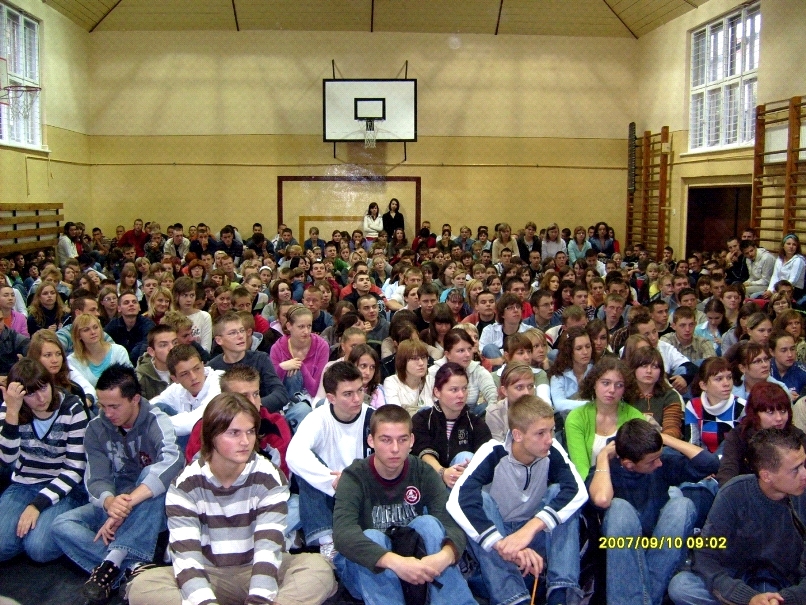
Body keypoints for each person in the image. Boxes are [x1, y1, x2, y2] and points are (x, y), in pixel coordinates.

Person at [125, 393, 336, 605]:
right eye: (234, 433)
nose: (245, 441)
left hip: (257, 569)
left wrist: (258, 601)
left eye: (250, 431)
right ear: (211, 436)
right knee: (143, 587)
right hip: (207, 572)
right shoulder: (185, 484)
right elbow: (187, 559)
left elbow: (268, 550)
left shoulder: (269, 476)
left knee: (318, 569)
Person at [51, 364, 183, 605]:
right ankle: (133, 568)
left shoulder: (156, 419)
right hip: (117, 504)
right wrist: (110, 502)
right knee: (61, 524)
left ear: (135, 399)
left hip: (150, 507)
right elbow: (96, 478)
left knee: (151, 475)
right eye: (103, 406)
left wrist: (128, 504)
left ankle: (112, 561)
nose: (107, 413)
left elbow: (173, 461)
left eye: (114, 406)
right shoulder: (95, 428)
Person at [448, 394, 587, 605]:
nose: (549, 439)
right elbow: (458, 501)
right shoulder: (492, 452)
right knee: (481, 501)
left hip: (532, 534)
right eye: (540, 433)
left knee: (561, 493)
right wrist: (502, 544)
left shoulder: (552, 450)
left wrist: (529, 529)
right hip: (498, 539)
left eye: (551, 430)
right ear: (517, 435)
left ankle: (561, 593)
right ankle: (513, 599)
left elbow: (578, 491)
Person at [332, 404, 477, 605]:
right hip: (367, 572)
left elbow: (451, 523)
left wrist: (444, 557)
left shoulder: (423, 472)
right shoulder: (354, 476)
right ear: (371, 441)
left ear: (412, 441)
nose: (395, 449)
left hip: (415, 563)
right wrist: (396, 562)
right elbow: (343, 534)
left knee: (429, 523)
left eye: (402, 440)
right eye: (386, 440)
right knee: (372, 537)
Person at [668, 428, 806, 605]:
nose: (804, 474)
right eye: (795, 469)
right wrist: (748, 597)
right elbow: (705, 554)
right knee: (681, 586)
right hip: (738, 581)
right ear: (766, 475)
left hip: (787, 585)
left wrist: (784, 599)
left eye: (804, 464)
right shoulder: (734, 493)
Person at [589, 419, 719, 605]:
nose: (658, 463)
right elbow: (602, 499)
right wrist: (602, 456)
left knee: (682, 505)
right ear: (629, 464)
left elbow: (710, 464)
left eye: (659, 457)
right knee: (618, 508)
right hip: (621, 555)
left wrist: (664, 438)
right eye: (652, 461)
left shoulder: (660, 463)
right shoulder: (605, 472)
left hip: (661, 548)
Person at [0, 359, 88, 563]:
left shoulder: (72, 408)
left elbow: (75, 468)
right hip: (24, 482)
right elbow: (7, 458)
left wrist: (36, 505)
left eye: (44, 388)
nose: (41, 398)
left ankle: (42, 528)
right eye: (30, 394)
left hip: (65, 487)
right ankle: (24, 533)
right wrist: (12, 412)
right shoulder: (11, 406)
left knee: (38, 549)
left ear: (51, 383)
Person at [286, 361, 373, 560]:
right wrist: (330, 479)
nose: (357, 399)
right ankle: (326, 541)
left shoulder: (372, 417)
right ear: (331, 398)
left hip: (363, 493)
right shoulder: (318, 418)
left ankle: (305, 536)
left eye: (360, 391)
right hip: (326, 494)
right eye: (348, 394)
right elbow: (293, 455)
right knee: (305, 467)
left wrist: (350, 480)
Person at [412, 362, 492, 489]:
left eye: (464, 389)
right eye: (454, 390)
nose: (461, 395)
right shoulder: (422, 419)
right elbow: (422, 453)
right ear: (437, 392)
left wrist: (471, 468)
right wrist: (443, 472)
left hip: (464, 486)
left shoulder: (476, 423)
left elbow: (487, 460)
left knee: (466, 458)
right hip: (429, 485)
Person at [565, 356, 644, 479]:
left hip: (627, 482)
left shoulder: (635, 417)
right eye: (606, 383)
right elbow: (581, 469)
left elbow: (639, 465)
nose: (612, 390)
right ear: (594, 384)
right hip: (589, 482)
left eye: (619, 385)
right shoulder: (576, 417)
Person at [716, 381, 803, 486]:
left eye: (783, 411)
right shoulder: (739, 436)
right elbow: (727, 472)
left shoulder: (797, 436)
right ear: (755, 414)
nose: (779, 418)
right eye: (770, 412)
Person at [208, 312, 289, 414]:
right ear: (219, 340)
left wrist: (253, 405)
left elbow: (281, 394)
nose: (240, 336)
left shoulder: (260, 358)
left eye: (242, 331)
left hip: (263, 415)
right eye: (232, 333)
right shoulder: (212, 368)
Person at [149, 344, 223, 439]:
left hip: (213, 440)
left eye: (197, 369)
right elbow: (151, 404)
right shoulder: (177, 388)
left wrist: (155, 424)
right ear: (175, 379)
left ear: (203, 365)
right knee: (157, 407)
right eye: (184, 374)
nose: (193, 377)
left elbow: (196, 422)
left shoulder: (219, 382)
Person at [425, 328, 498, 416]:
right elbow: (428, 404)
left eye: (469, 349)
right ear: (448, 354)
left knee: (488, 407)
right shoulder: (433, 372)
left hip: (470, 416)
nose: (468, 354)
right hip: (440, 417)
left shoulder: (477, 369)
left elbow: (493, 395)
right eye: (461, 350)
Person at [685, 356, 746, 453]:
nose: (726, 383)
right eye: (719, 379)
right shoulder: (693, 406)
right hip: (705, 459)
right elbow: (692, 444)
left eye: (729, 377)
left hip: (732, 458)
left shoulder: (742, 406)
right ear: (703, 385)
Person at [625, 345, 684, 438]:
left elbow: (672, 430)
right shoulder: (623, 394)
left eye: (655, 367)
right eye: (644, 366)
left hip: (661, 444)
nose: (649, 371)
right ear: (634, 368)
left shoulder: (670, 396)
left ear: (661, 371)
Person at [67, 314, 132, 388]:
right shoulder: (72, 361)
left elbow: (130, 381)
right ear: (78, 335)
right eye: (86, 330)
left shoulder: (119, 351)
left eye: (95, 327)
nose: (93, 332)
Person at [548, 326, 593, 412]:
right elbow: (559, 404)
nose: (585, 352)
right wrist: (592, 404)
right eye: (579, 348)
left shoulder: (596, 371)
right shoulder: (558, 375)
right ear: (569, 351)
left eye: (588, 346)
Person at [103, 292, 155, 365]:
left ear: (139, 307)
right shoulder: (113, 325)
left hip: (141, 364)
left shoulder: (148, 325)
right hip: (118, 364)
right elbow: (103, 341)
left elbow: (144, 349)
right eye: (126, 303)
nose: (131, 304)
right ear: (119, 308)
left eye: (134, 302)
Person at [383, 338, 431, 412]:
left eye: (423, 357)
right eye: (414, 358)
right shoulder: (391, 382)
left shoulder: (431, 381)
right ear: (402, 362)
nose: (421, 363)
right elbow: (397, 414)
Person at [135, 325, 176, 400]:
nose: (172, 348)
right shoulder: (140, 378)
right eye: (163, 345)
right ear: (152, 352)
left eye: (175, 343)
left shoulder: (188, 367)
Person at [172, 277, 212, 352]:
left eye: (192, 295)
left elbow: (206, 348)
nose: (189, 300)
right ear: (177, 296)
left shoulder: (204, 316)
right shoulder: (171, 317)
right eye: (185, 295)